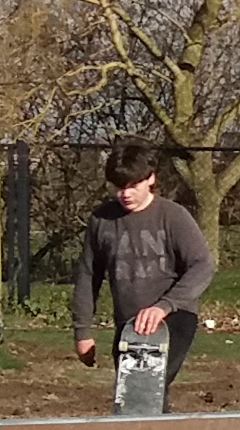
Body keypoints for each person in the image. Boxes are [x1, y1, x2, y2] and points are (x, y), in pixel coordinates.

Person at [71, 144, 215, 406]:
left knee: (147, 387)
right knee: (135, 397)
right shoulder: (101, 220)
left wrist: (164, 306)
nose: (124, 194)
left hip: (174, 317)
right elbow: (88, 276)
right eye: (118, 186)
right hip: (128, 325)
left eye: (132, 185)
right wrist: (83, 332)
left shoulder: (172, 216)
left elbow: (202, 265)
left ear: (151, 179)